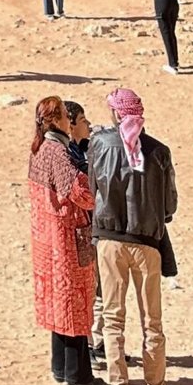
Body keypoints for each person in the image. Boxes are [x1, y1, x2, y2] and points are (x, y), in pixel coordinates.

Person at [88, 87, 186, 385]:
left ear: (116, 114)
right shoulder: (159, 151)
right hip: (147, 243)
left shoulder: (99, 144)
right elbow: (169, 205)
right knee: (152, 324)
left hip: (110, 241)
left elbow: (92, 191)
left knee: (113, 320)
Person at [27, 96, 102, 385]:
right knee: (75, 303)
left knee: (58, 303)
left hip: (46, 238)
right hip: (67, 238)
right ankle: (78, 375)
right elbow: (80, 192)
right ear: (58, 120)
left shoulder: (39, 149)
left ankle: (60, 368)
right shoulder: (58, 153)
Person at [64, 98, 104, 365]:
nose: (88, 124)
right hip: (83, 228)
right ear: (70, 126)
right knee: (88, 289)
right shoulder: (68, 158)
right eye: (83, 120)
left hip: (96, 227)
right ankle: (89, 343)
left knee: (100, 287)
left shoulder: (86, 149)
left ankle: (98, 341)